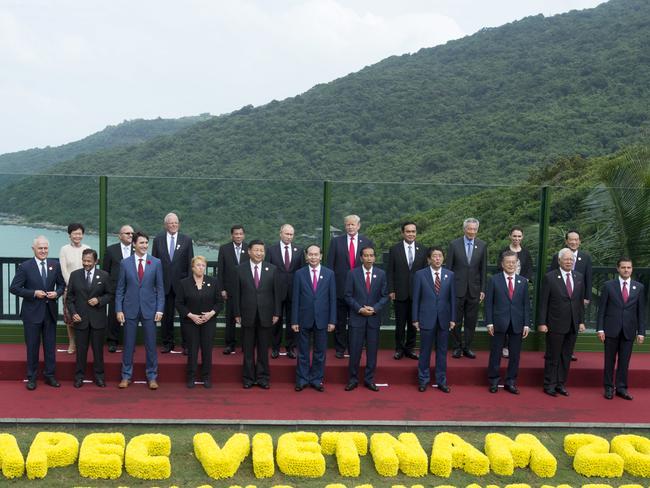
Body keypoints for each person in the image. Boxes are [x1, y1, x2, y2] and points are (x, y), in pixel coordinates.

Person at [10, 236, 66, 390]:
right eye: (40, 248)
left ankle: (50, 376)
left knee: (50, 347)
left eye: (45, 248)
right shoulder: (25, 267)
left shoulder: (55, 265)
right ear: (33, 249)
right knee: (32, 347)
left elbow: (62, 285)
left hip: (50, 313)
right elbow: (14, 288)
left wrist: (57, 293)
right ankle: (32, 378)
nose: (43, 251)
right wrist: (34, 293)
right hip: (31, 313)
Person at [115, 231, 165, 390]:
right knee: (128, 344)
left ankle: (152, 376)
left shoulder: (156, 262)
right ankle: (126, 376)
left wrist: (160, 309)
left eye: (146, 243)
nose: (144, 246)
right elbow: (120, 289)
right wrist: (118, 309)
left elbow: (160, 289)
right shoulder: (125, 263)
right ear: (134, 244)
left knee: (151, 345)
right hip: (129, 309)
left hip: (150, 309)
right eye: (141, 243)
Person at [232, 240, 281, 389]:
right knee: (247, 349)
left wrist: (276, 312)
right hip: (247, 314)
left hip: (266, 314)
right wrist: (237, 313)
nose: (259, 253)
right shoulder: (240, 269)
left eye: (262, 250)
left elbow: (276, 294)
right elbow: (236, 294)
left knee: (263, 348)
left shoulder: (272, 269)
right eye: (256, 250)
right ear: (249, 252)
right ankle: (248, 378)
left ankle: (263, 378)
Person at [538, 248, 586, 397]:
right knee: (553, 355)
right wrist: (542, 322)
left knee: (566, 356)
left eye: (571, 259)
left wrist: (581, 321)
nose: (569, 262)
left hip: (573, 324)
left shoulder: (579, 277)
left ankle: (560, 384)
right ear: (559, 261)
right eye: (566, 259)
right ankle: (549, 384)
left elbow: (579, 302)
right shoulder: (550, 277)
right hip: (555, 323)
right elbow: (543, 302)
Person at [597, 257, 646, 400]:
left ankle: (622, 388)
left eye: (629, 267)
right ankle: (608, 388)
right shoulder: (608, 286)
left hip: (629, 330)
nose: (626, 270)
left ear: (632, 269)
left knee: (624, 361)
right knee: (609, 360)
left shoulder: (639, 287)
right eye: (623, 267)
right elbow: (602, 309)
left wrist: (641, 332)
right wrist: (600, 329)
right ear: (618, 269)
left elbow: (641, 312)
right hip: (611, 329)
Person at [327, 215, 374, 359]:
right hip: (340, 288)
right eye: (347, 224)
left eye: (353, 224)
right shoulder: (336, 242)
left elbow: (370, 265)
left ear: (359, 225)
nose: (350, 227)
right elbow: (330, 267)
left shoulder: (367, 241)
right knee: (340, 320)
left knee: (356, 320)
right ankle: (340, 348)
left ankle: (355, 348)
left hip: (359, 289)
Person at [485, 250, 531, 394]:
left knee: (515, 355)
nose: (511, 265)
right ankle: (493, 381)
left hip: (517, 323)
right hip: (498, 322)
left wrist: (526, 324)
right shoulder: (494, 280)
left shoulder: (523, 281)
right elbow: (489, 303)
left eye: (513, 262)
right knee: (496, 353)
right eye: (508, 262)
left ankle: (510, 382)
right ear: (502, 264)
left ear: (517, 264)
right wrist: (489, 322)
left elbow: (525, 305)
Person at [344, 245, 389, 392]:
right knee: (355, 351)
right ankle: (353, 380)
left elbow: (384, 296)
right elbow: (348, 295)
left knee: (372, 352)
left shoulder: (381, 274)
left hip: (373, 319)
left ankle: (369, 380)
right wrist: (359, 308)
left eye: (371, 255)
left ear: (375, 257)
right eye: (366, 255)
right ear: (361, 258)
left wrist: (374, 308)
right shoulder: (352, 274)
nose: (369, 258)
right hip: (357, 319)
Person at [66, 249, 113, 388]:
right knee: (81, 351)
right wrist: (73, 313)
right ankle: (79, 377)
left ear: (96, 261)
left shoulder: (104, 275)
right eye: (84, 260)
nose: (86, 263)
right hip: (80, 319)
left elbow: (110, 295)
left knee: (98, 351)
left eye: (89, 261)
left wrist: (99, 300)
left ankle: (99, 377)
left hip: (98, 320)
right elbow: (69, 298)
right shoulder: (75, 275)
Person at [292, 245, 336, 392]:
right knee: (303, 352)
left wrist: (332, 320)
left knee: (320, 352)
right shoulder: (299, 274)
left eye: (316, 254)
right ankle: (302, 379)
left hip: (322, 319)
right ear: (306, 256)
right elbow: (296, 299)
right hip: (304, 318)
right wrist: (294, 320)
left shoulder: (329, 274)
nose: (313, 257)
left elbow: (332, 299)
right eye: (310, 254)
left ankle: (317, 379)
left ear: (321, 256)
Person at [412, 246, 456, 393]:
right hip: (426, 317)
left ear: (443, 259)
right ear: (429, 259)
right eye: (434, 256)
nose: (437, 259)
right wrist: (415, 318)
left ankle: (441, 381)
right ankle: (423, 380)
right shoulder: (420, 275)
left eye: (440, 256)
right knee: (425, 351)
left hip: (444, 318)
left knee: (442, 351)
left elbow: (452, 299)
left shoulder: (449, 275)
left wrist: (453, 318)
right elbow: (416, 299)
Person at [175, 256, 222, 389]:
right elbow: (179, 303)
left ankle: (206, 377)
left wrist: (211, 314)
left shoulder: (213, 282)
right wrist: (191, 316)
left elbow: (219, 302)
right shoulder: (184, 283)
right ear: (192, 268)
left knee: (207, 350)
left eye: (203, 265)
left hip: (209, 321)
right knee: (192, 350)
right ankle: (191, 377)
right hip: (191, 322)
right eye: (198, 265)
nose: (201, 268)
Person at [152, 212, 194, 355]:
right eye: (171, 223)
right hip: (164, 285)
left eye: (176, 222)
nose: (173, 225)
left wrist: (190, 284)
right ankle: (167, 343)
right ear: (165, 225)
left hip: (182, 285)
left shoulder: (187, 240)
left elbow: (190, 263)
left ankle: (186, 345)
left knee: (185, 316)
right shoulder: (158, 240)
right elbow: (154, 263)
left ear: (179, 224)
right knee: (166, 317)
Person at [549, 229, 593, 362]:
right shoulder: (558, 255)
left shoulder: (585, 257)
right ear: (566, 241)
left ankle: (570, 350)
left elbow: (588, 279)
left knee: (575, 324)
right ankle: (555, 350)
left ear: (579, 241)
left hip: (577, 298)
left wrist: (587, 296)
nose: (573, 242)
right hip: (561, 298)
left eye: (576, 239)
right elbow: (551, 276)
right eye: (571, 240)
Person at [446, 217, 487, 359]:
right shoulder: (454, 244)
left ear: (477, 230)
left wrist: (482, 289)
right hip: (457, 288)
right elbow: (449, 268)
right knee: (456, 319)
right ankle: (456, 347)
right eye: (469, 229)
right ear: (464, 229)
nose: (471, 232)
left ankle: (467, 347)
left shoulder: (482, 245)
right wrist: (448, 289)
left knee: (471, 320)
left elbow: (483, 269)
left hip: (474, 290)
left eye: (474, 229)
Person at [387, 221, 428, 360]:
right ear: (403, 233)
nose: (411, 234)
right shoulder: (394, 249)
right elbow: (390, 272)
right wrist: (391, 290)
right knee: (400, 323)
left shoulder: (423, 249)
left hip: (417, 293)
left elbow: (424, 273)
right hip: (400, 292)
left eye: (413, 231)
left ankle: (410, 348)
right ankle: (399, 349)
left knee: (413, 323)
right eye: (408, 231)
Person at [265, 224, 304, 359]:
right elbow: (267, 271)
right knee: (276, 319)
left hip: (294, 291)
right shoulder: (271, 250)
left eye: (291, 234)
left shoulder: (299, 250)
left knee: (292, 321)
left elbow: (301, 271)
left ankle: (290, 348)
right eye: (286, 234)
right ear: (280, 233)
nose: (289, 237)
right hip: (276, 291)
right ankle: (275, 347)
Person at [496, 225, 533, 359]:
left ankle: (513, 346)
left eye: (519, 236)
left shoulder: (526, 253)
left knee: (516, 316)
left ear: (522, 237)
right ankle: (504, 346)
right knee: (504, 315)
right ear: (510, 237)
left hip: (519, 288)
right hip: (504, 287)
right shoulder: (504, 251)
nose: (516, 238)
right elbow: (498, 267)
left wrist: (524, 281)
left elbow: (529, 269)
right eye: (514, 236)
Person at [217, 225, 249, 355]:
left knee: (246, 318)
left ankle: (245, 344)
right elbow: (220, 271)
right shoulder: (224, 249)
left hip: (246, 290)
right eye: (236, 234)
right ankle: (229, 345)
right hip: (230, 290)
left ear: (244, 235)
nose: (238, 236)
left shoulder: (249, 249)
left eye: (241, 234)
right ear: (232, 235)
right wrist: (222, 289)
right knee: (230, 318)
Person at [102, 224, 134, 353]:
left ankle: (129, 342)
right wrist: (109, 288)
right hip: (115, 289)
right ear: (120, 236)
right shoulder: (111, 250)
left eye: (132, 233)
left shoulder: (137, 250)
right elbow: (105, 271)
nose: (130, 235)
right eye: (127, 233)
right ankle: (112, 341)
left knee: (131, 316)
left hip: (132, 289)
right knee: (114, 316)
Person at [59, 223, 90, 354]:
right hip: (69, 288)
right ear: (69, 235)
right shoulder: (64, 249)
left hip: (86, 289)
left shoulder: (87, 248)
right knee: (70, 318)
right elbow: (64, 269)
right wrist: (72, 286)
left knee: (85, 316)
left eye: (80, 233)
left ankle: (83, 344)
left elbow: (91, 267)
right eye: (75, 233)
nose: (77, 236)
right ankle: (72, 344)